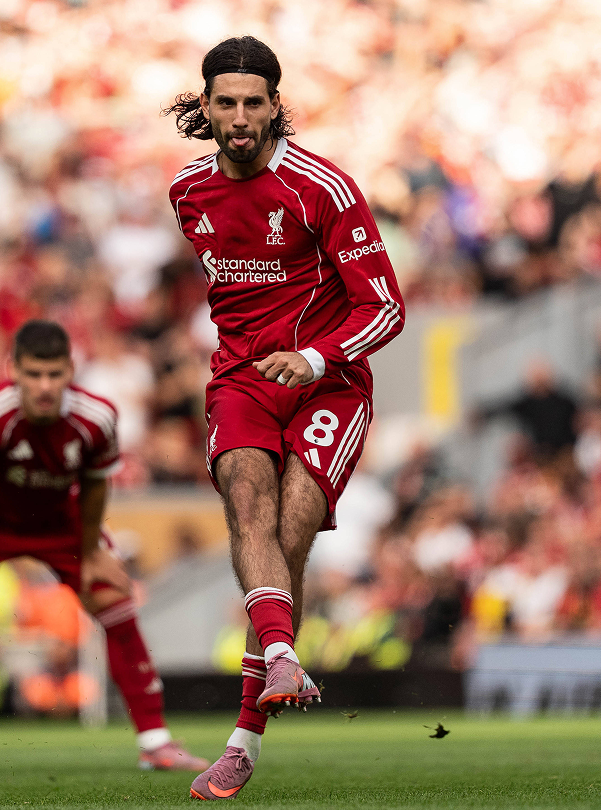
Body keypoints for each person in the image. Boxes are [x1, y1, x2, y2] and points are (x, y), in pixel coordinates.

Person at [165, 36, 405, 801]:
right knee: (247, 504)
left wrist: (314, 354)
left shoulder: (322, 188)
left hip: (327, 383)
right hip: (240, 379)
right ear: (207, 106)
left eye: (253, 102)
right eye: (226, 102)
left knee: (289, 532)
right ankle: (280, 658)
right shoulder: (186, 193)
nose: (240, 117)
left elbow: (387, 306)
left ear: (276, 106)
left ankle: (243, 739)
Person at [0, 320, 208, 776]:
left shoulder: (98, 418)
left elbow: (95, 485)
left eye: (54, 374)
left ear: (71, 370)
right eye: (34, 374)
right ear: (13, 370)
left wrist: (93, 550)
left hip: (61, 518)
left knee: (116, 603)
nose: (44, 386)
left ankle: (156, 742)